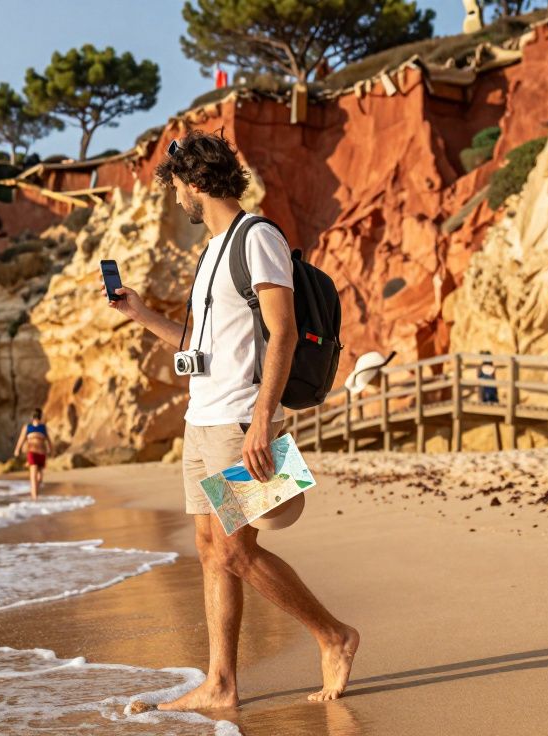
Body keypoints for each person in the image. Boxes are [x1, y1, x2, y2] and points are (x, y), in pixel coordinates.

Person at [104, 130, 359, 709]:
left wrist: (263, 421)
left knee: (237, 552)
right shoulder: (212, 252)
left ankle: (334, 635)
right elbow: (197, 345)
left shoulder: (258, 236)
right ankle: (221, 684)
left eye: (176, 190)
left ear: (195, 184)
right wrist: (141, 314)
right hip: (203, 420)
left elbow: (285, 331)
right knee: (209, 550)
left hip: (240, 420)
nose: (176, 201)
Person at [12, 409, 52, 500]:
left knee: (40, 477)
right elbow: (21, 439)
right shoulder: (27, 427)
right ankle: (35, 497)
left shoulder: (43, 427)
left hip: (41, 453)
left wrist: (50, 449)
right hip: (32, 453)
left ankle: (35, 493)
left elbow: (48, 440)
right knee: (33, 476)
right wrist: (17, 449)